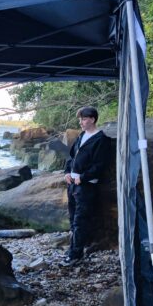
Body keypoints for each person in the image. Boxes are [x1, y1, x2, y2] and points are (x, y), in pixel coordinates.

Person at [63, 105, 112, 266]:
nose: (81, 122)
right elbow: (71, 157)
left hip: (86, 186)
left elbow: (100, 165)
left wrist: (83, 177)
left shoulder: (101, 139)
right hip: (73, 184)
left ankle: (75, 255)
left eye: (83, 119)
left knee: (80, 221)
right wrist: (67, 172)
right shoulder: (82, 135)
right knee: (73, 219)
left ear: (92, 119)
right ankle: (73, 251)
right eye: (80, 119)